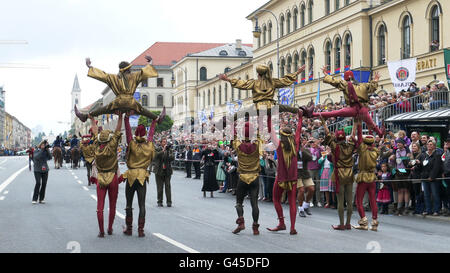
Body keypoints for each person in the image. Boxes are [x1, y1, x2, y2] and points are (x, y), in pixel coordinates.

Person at [219, 64, 312, 132]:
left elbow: (241, 84)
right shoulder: (272, 81)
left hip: (257, 108)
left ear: (258, 74)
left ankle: (223, 123)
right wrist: (298, 72)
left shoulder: (254, 82)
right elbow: (285, 81)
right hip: (271, 106)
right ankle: (304, 111)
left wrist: (227, 79)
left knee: (239, 113)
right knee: (287, 108)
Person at [75, 56, 166, 124]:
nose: (131, 69)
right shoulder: (134, 76)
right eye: (129, 68)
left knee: (103, 109)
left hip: (118, 103)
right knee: (142, 110)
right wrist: (150, 63)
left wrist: (90, 67)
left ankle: (85, 116)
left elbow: (102, 75)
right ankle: (157, 118)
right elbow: (144, 72)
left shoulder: (113, 77)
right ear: (128, 69)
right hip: (131, 103)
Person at [312, 67, 384, 137]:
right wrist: (375, 79)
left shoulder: (345, 84)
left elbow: (335, 81)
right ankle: (379, 133)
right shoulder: (363, 85)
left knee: (334, 113)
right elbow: (372, 87)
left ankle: (314, 114)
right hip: (363, 109)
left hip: (353, 109)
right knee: (371, 124)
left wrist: (325, 74)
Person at [267, 109, 303, 235]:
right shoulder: (296, 144)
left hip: (281, 178)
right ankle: (292, 227)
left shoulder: (279, 145)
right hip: (293, 179)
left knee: (276, 199)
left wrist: (269, 116)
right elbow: (298, 130)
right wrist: (300, 117)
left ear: (282, 135)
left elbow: (270, 130)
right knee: (293, 202)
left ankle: (281, 223)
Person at [122, 112, 157, 237]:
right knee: (142, 204)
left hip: (131, 175)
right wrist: (154, 121)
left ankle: (129, 229)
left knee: (129, 204)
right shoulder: (149, 144)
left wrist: (126, 118)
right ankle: (141, 230)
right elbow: (152, 133)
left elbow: (127, 131)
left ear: (136, 132)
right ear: (145, 133)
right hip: (142, 176)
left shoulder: (131, 143)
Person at [89, 112, 124, 238]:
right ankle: (109, 228)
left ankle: (101, 231)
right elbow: (118, 130)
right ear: (109, 138)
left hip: (101, 178)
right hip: (113, 177)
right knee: (112, 206)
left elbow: (94, 132)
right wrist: (120, 116)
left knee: (100, 207)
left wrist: (92, 120)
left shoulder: (96, 146)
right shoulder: (113, 145)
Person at [323, 118, 357, 230]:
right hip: (349, 173)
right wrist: (355, 122)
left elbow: (328, 135)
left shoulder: (335, 146)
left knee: (340, 200)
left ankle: (341, 224)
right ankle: (348, 223)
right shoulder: (351, 146)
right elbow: (353, 135)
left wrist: (324, 122)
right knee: (349, 200)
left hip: (338, 173)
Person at [231, 122, 264, 235]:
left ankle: (241, 222)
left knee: (239, 202)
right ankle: (255, 227)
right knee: (254, 204)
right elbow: (261, 133)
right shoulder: (258, 144)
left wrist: (233, 124)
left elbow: (233, 135)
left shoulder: (238, 144)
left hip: (242, 177)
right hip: (254, 177)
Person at [352, 119, 380, 231]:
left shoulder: (362, 149)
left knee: (358, 200)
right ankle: (374, 222)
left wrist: (358, 123)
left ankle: (363, 221)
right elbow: (369, 138)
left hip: (363, 176)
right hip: (372, 177)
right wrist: (370, 128)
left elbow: (358, 136)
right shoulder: (375, 150)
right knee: (373, 200)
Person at [417, 139, 444, 216]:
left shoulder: (437, 155)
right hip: (424, 178)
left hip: (433, 179)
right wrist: (418, 164)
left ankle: (436, 210)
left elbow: (437, 167)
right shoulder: (423, 155)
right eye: (428, 144)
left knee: (435, 194)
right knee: (426, 195)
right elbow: (421, 167)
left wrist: (432, 176)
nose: (429, 146)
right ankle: (428, 209)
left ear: (435, 146)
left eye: (431, 144)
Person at [389, 138, 411, 215]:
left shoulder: (407, 151)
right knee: (400, 190)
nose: (398, 144)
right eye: (397, 143)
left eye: (399, 143)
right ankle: (399, 207)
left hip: (405, 172)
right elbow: (392, 163)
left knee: (406, 190)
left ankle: (406, 207)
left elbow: (409, 161)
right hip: (398, 172)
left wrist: (406, 157)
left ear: (403, 144)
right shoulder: (396, 151)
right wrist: (391, 159)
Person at [153, 138, 175, 207]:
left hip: (167, 170)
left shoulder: (170, 150)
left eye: (166, 142)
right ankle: (160, 201)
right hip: (159, 170)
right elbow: (155, 156)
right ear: (160, 143)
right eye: (163, 142)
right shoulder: (157, 149)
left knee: (168, 186)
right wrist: (163, 150)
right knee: (160, 187)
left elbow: (172, 158)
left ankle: (169, 202)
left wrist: (167, 152)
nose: (165, 143)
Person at [408, 143, 424, 215]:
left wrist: (418, 164)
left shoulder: (421, 155)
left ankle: (420, 208)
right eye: (412, 146)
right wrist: (409, 164)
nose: (413, 147)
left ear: (418, 147)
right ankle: (415, 207)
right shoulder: (411, 156)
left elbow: (422, 165)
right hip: (412, 176)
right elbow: (408, 165)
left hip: (418, 176)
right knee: (414, 192)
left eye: (414, 146)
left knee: (419, 192)